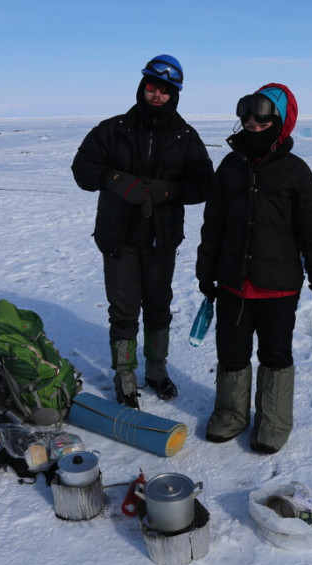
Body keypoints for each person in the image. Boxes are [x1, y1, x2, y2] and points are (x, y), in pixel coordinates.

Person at [195, 83, 312, 453]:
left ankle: (273, 421)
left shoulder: (296, 172)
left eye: (262, 119)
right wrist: (206, 272)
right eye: (247, 118)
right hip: (232, 283)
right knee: (231, 354)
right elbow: (213, 225)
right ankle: (231, 414)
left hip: (278, 287)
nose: (253, 125)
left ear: (281, 122)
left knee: (275, 355)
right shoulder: (230, 167)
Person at [72, 54, 214, 409]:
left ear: (175, 94)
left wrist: (168, 191)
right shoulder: (113, 129)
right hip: (119, 238)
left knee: (158, 308)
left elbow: (204, 182)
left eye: (165, 90)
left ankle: (156, 370)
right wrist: (113, 178)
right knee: (123, 312)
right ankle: (124, 376)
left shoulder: (185, 136)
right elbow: (82, 168)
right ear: (142, 86)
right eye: (152, 86)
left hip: (161, 241)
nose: (157, 94)